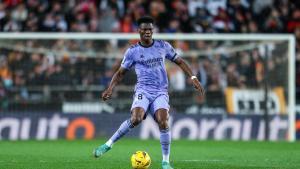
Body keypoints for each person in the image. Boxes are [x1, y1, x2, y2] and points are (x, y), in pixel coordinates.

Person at [93, 16, 205, 169]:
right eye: (144, 29)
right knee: (136, 119)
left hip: (160, 91)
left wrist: (193, 77)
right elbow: (120, 73)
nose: (148, 32)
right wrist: (110, 88)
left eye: (150, 29)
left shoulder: (162, 46)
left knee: (163, 121)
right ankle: (108, 144)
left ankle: (165, 162)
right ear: (139, 30)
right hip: (143, 90)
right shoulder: (132, 52)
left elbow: (180, 61)